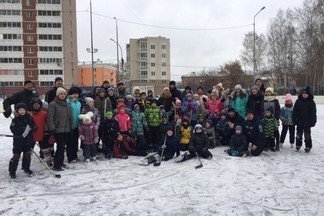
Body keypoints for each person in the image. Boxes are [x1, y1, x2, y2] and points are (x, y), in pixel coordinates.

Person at [47, 87, 73, 171]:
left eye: (64, 94)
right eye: (61, 94)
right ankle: (56, 165)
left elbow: (70, 117)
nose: (63, 95)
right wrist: (52, 129)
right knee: (60, 148)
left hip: (66, 129)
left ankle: (61, 163)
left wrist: (71, 127)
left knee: (62, 147)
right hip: (58, 130)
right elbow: (50, 118)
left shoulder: (67, 104)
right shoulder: (53, 104)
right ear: (57, 95)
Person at [8, 103, 36, 178]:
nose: (22, 111)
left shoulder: (29, 118)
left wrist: (34, 127)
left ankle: (26, 168)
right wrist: (22, 129)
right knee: (16, 156)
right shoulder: (15, 120)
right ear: (17, 111)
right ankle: (12, 171)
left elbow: (34, 126)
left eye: (23, 109)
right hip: (18, 141)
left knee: (27, 155)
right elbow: (13, 129)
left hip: (28, 141)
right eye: (20, 110)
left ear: (26, 110)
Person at [292, 88, 317, 152]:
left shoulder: (311, 102)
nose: (304, 95)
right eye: (303, 93)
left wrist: (313, 121)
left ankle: (308, 146)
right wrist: (294, 119)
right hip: (299, 121)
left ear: (308, 94)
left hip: (307, 122)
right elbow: (294, 111)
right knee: (298, 134)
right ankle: (298, 145)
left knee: (307, 135)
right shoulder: (298, 101)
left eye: (306, 94)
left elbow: (313, 113)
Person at [30, 98, 52, 166]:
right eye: (34, 104)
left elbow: (48, 123)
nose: (36, 105)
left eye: (38, 104)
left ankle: (48, 161)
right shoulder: (29, 114)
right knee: (28, 151)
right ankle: (26, 165)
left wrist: (47, 131)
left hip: (42, 134)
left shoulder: (44, 113)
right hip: (31, 135)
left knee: (46, 149)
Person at [67, 87, 82, 163]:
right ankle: (70, 157)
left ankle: (75, 156)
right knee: (70, 142)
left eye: (76, 94)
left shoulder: (79, 103)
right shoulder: (68, 102)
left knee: (75, 141)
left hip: (77, 125)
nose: (75, 95)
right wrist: (70, 100)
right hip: (70, 125)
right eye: (73, 93)